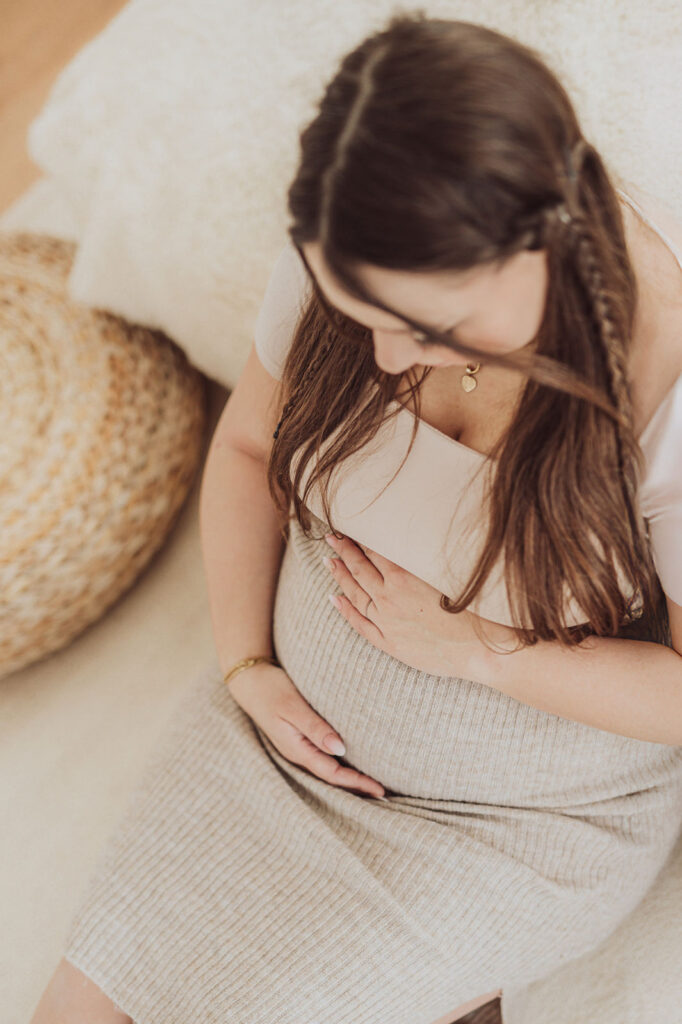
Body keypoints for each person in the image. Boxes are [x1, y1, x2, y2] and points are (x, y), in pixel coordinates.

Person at [30, 13, 682, 1024]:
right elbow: (249, 451)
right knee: (81, 1003)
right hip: (274, 741)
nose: (383, 359)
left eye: (426, 328)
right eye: (366, 319)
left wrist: (480, 653)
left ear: (536, 252)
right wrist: (248, 666)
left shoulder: (664, 384)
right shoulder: (358, 249)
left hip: (508, 822)